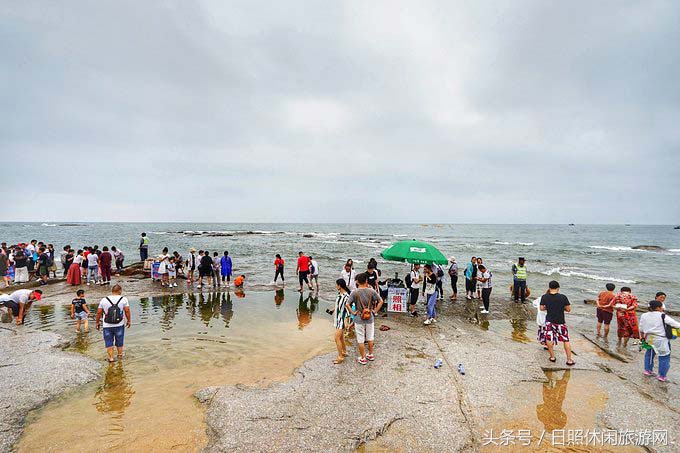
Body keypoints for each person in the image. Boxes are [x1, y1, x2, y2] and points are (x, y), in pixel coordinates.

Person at [345, 273, 383, 365]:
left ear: (357, 282)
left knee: (360, 338)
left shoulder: (355, 292)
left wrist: (353, 312)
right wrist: (374, 311)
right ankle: (370, 354)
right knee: (370, 337)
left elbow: (347, 304)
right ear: (366, 281)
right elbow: (381, 301)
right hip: (370, 317)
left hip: (359, 318)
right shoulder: (371, 291)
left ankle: (363, 358)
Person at [639, 300, 680, 383]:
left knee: (649, 354)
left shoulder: (644, 315)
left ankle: (648, 370)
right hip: (660, 339)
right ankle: (662, 376)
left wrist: (642, 338)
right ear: (658, 307)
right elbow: (677, 325)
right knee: (664, 357)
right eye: (661, 307)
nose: (662, 308)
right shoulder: (662, 316)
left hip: (649, 338)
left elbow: (641, 328)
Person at [540, 281, 575, 366]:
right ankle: (569, 360)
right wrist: (560, 308)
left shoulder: (545, 297)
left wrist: (548, 307)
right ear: (558, 288)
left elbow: (541, 308)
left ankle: (552, 357)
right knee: (565, 340)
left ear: (549, 287)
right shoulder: (563, 297)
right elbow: (568, 309)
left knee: (549, 339)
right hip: (560, 322)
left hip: (549, 321)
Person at [95, 284, 131, 363]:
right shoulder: (123, 299)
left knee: (108, 341)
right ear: (120, 291)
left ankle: (111, 358)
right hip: (119, 324)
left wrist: (97, 322)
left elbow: (98, 312)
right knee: (119, 340)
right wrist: (129, 321)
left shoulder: (104, 299)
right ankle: (120, 355)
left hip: (107, 325)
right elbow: (127, 311)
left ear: (112, 291)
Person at [332, 278, 350, 364]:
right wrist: (333, 309)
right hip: (337, 318)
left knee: (336, 338)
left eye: (336, 284)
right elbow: (339, 306)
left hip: (341, 320)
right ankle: (344, 351)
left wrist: (346, 321)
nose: (336, 286)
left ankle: (340, 356)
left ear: (339, 286)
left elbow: (348, 309)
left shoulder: (346, 297)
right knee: (341, 337)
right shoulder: (339, 294)